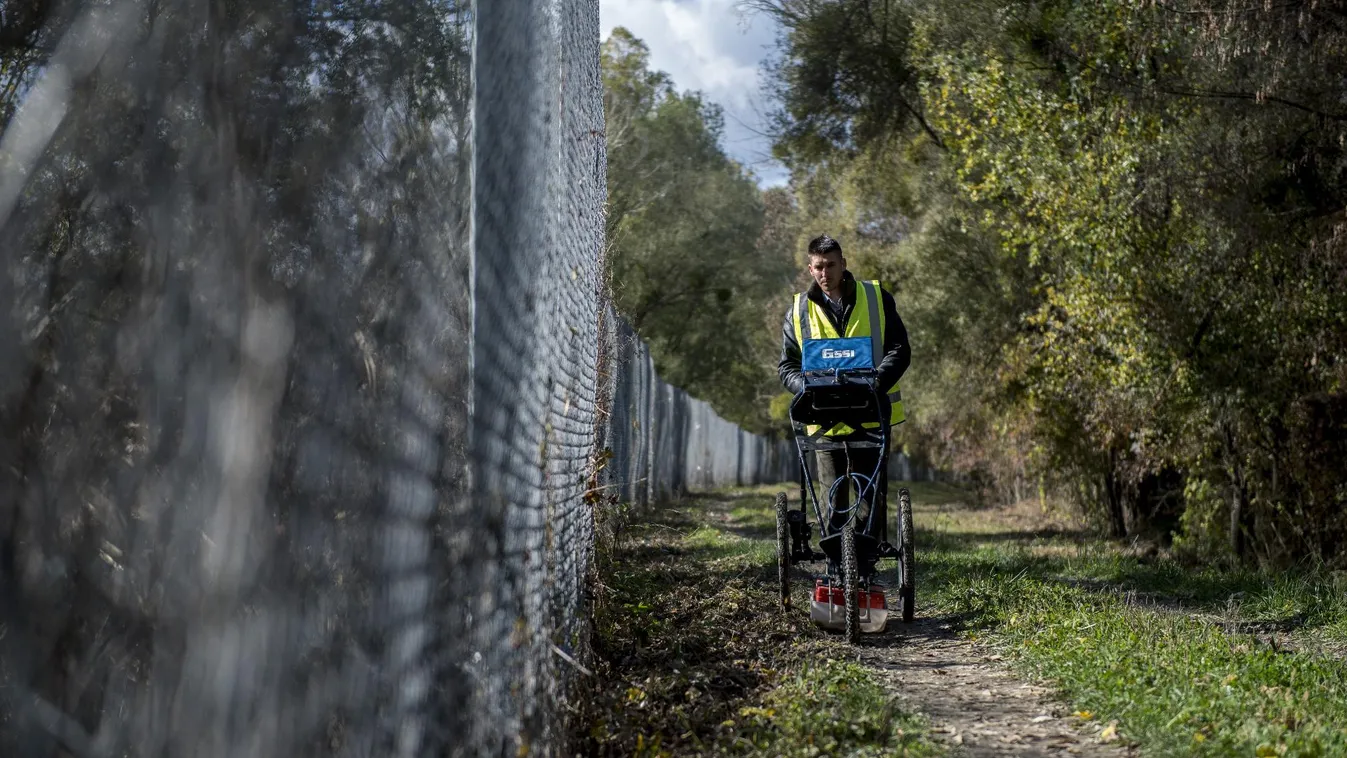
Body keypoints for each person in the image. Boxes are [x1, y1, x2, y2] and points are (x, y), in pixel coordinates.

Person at [777, 234, 911, 535]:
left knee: (869, 495)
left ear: (844, 264)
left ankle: (868, 562)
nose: (826, 273)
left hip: (870, 412)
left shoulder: (876, 298)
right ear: (810, 269)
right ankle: (837, 567)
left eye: (831, 265)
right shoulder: (798, 311)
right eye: (819, 267)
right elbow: (787, 366)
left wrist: (876, 381)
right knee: (831, 499)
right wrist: (806, 387)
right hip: (824, 419)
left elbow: (900, 350)